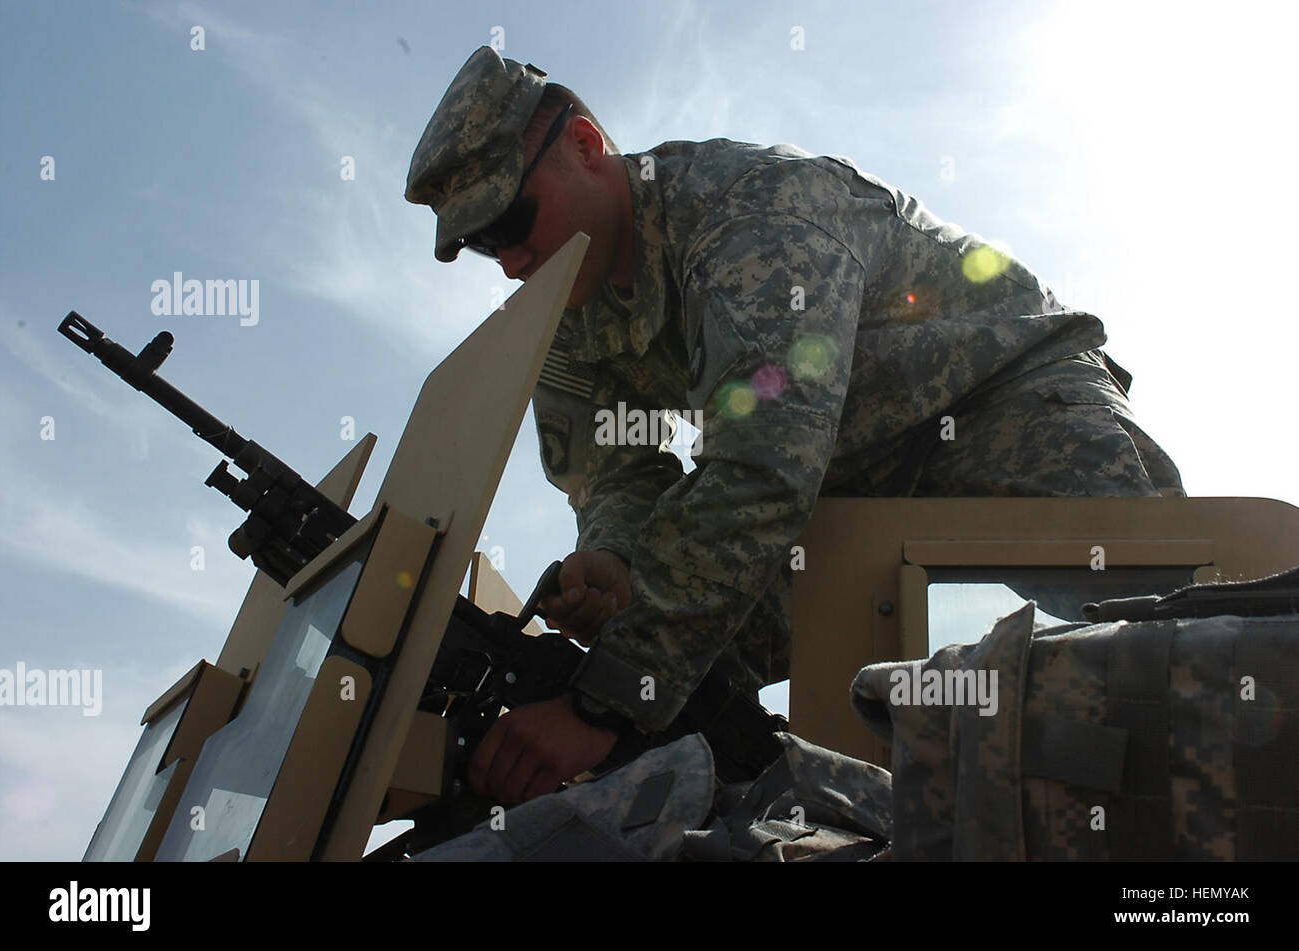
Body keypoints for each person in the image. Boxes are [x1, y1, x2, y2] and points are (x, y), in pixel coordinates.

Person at [403, 46, 1184, 806]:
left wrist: (603, 704)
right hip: (838, 482)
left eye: (510, 219)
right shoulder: (568, 322)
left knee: (1170, 639)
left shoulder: (750, 209)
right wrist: (613, 558)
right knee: (689, 680)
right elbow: (615, 474)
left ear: (584, 145)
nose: (506, 260)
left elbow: (760, 465)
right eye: (479, 244)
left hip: (1000, 400)